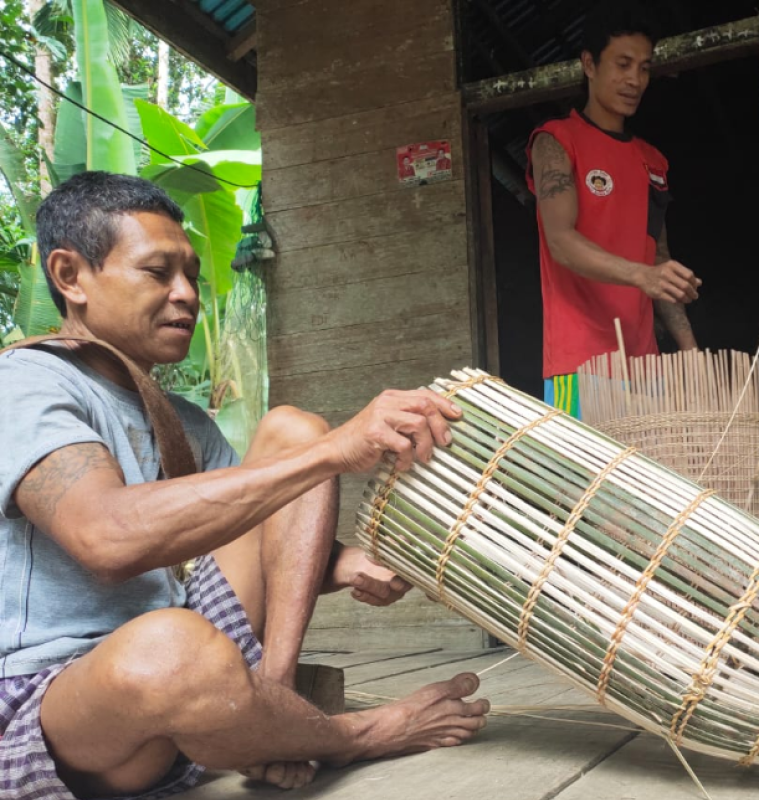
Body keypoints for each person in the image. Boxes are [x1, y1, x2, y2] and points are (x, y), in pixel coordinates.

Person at [0, 172, 490, 799]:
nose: (186, 295)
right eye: (157, 272)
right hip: (66, 701)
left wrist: (346, 564)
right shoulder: (25, 385)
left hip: (198, 670)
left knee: (292, 432)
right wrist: (338, 451)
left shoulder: (181, 421)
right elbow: (107, 537)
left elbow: (253, 518)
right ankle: (353, 736)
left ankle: (275, 702)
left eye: (192, 275)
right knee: (170, 646)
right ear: (70, 277)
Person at [527, 1, 700, 418]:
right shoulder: (555, 141)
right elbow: (561, 242)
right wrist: (643, 275)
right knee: (581, 484)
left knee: (648, 485)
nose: (635, 80)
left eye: (643, 67)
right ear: (589, 63)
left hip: (646, 368)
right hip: (579, 364)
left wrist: (690, 350)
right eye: (622, 64)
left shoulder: (651, 161)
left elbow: (657, 258)